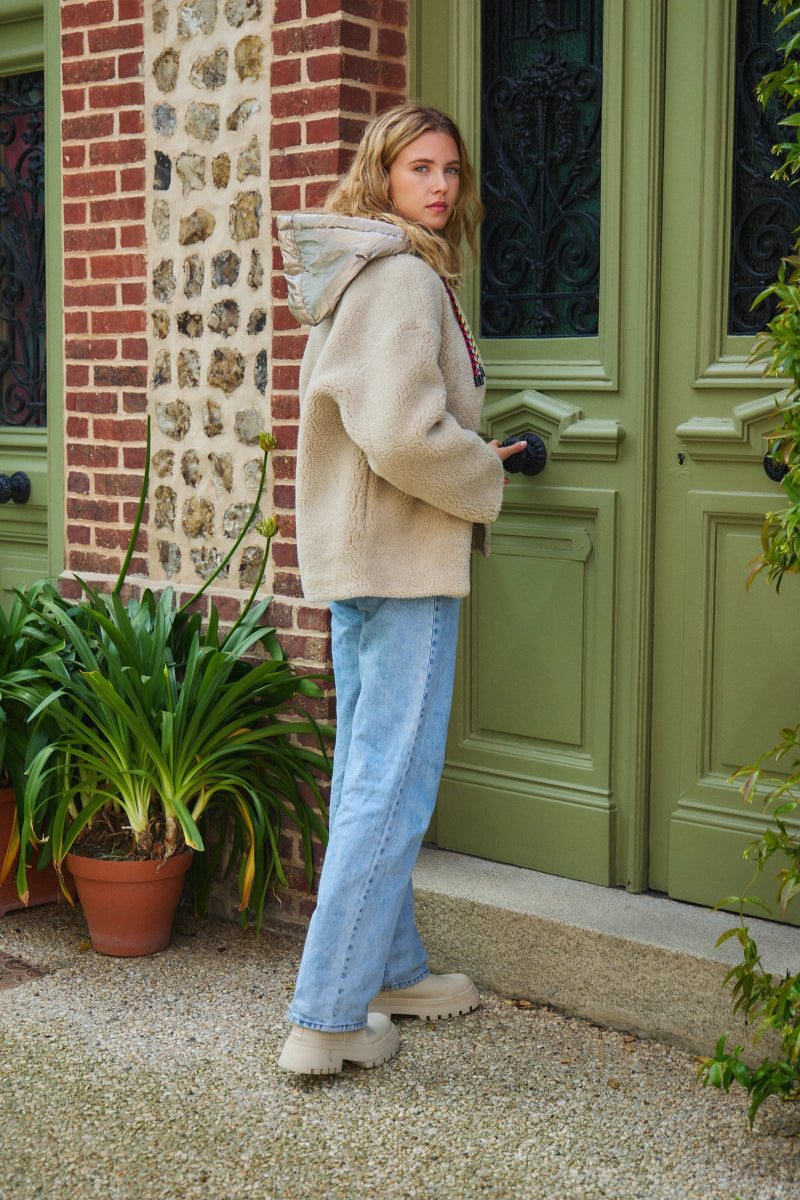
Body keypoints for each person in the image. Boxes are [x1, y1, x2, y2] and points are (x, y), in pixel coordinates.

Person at [275, 102, 525, 1075]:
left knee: (368, 777)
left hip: (360, 562)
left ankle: (389, 968)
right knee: (391, 784)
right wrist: (484, 471)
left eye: (449, 170)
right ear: (382, 175)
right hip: (403, 565)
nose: (437, 184)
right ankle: (327, 1015)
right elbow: (401, 435)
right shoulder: (405, 278)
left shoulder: (354, 275)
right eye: (417, 166)